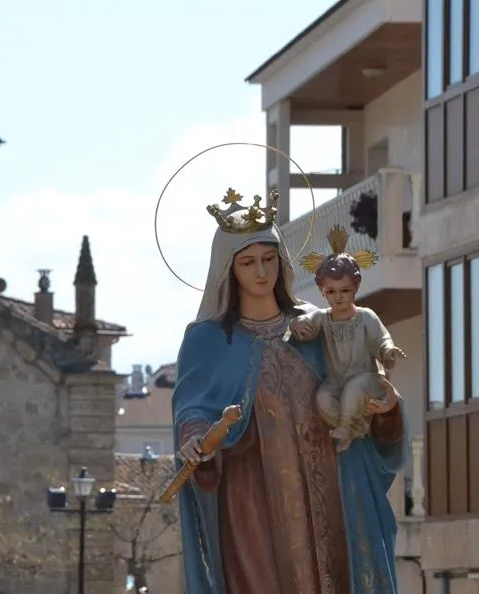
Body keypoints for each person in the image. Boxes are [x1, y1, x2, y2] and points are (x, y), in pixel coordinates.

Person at [172, 192, 407, 594]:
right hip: (253, 503)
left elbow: (360, 386)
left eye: (269, 259)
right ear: (229, 270)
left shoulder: (316, 327)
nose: (261, 272)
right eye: (248, 262)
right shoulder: (208, 340)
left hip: (333, 495)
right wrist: (197, 439)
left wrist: (385, 408)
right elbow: (193, 406)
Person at [290, 225, 407, 452]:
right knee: (323, 399)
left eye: (344, 290)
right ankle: (357, 428)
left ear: (356, 287)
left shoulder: (365, 317)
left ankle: (345, 429)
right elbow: (307, 324)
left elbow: (381, 340)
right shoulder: (323, 318)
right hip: (336, 383)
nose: (338, 297)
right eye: (331, 292)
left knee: (355, 388)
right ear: (322, 291)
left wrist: (389, 352)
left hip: (367, 381)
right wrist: (298, 325)